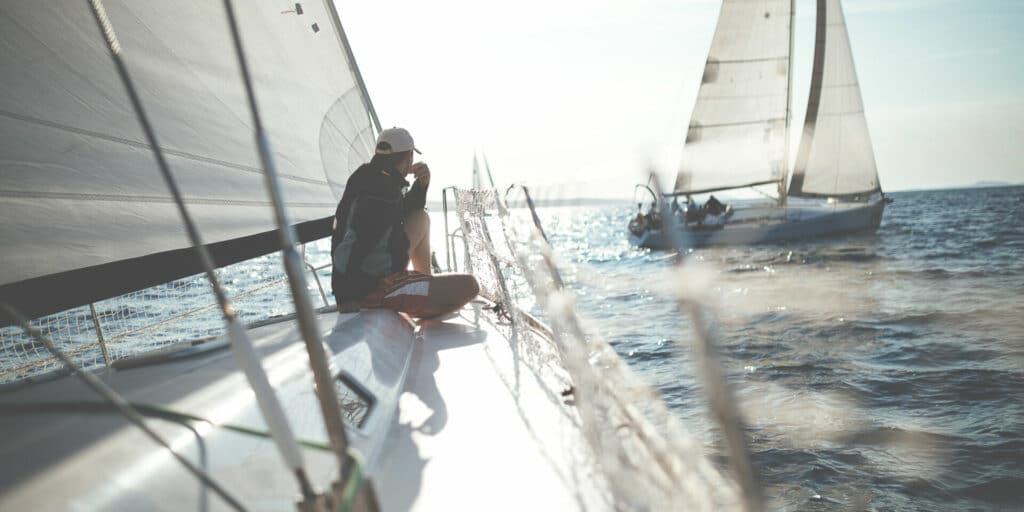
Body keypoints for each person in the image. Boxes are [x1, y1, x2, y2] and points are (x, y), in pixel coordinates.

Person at [331, 127, 479, 318]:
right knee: (470, 286)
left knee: (420, 218)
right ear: (409, 157)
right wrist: (345, 297)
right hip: (377, 287)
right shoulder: (381, 192)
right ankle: (426, 301)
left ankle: (424, 284)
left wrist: (422, 184)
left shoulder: (370, 176)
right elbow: (356, 242)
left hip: (374, 273)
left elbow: (404, 210)